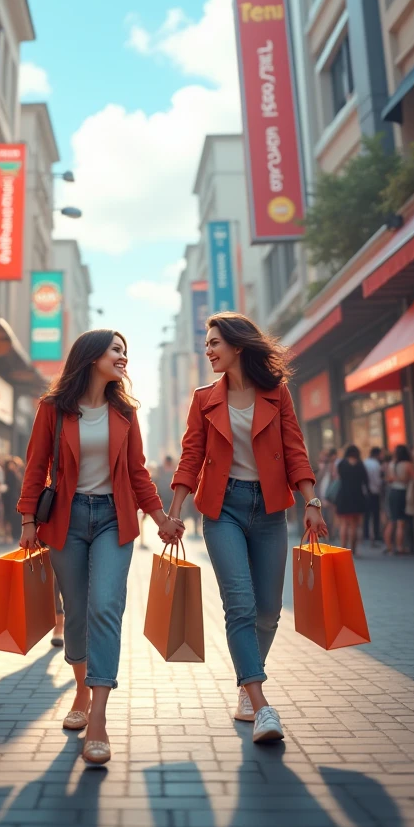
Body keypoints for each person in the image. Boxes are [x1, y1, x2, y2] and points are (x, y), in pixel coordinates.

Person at [18, 329, 183, 765]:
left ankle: (99, 719)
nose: (123, 357)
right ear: (92, 357)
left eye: (125, 351)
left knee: (105, 607)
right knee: (75, 611)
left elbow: (137, 472)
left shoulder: (125, 411)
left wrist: (162, 517)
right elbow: (36, 467)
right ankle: (80, 690)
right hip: (66, 521)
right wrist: (27, 519)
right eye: (116, 350)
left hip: (114, 518)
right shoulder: (53, 410)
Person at [168, 312, 327, 745]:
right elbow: (191, 456)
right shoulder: (204, 399)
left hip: (272, 510)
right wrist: (175, 510)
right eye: (206, 342)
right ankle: (260, 704)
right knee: (239, 605)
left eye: (215, 342)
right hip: (223, 510)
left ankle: (244, 683)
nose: (208, 350)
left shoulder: (276, 394)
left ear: (238, 346)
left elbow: (294, 447)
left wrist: (311, 501)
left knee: (269, 610)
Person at [335, 445, 368, 554]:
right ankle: (353, 549)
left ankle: (343, 548)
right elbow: (365, 480)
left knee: (344, 523)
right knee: (354, 524)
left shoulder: (342, 464)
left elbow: (337, 477)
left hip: (343, 495)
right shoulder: (360, 464)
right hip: (357, 496)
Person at [385, 444, 414, 555]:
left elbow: (388, 479)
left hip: (392, 492)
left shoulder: (391, 464)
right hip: (403, 492)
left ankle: (389, 546)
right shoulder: (408, 464)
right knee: (401, 522)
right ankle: (400, 547)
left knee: (392, 520)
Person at [362, 446, 383, 544]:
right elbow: (377, 479)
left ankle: (365, 534)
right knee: (375, 515)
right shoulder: (376, 464)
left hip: (365, 492)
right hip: (374, 492)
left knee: (366, 515)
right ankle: (376, 534)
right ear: (377, 454)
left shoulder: (365, 462)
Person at [2, 455, 24, 543]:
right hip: (11, 499)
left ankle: (13, 535)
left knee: (12, 517)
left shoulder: (17, 474)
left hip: (13, 498)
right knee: (10, 517)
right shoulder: (11, 474)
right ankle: (11, 535)